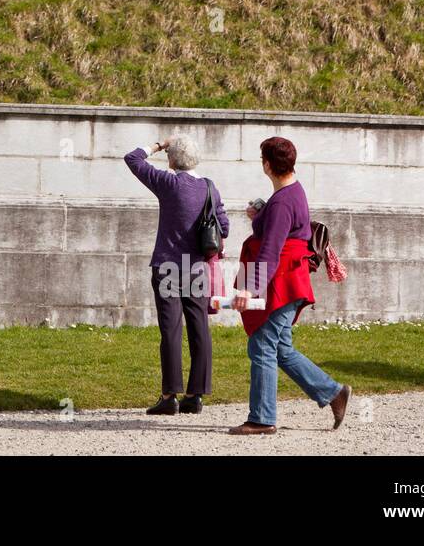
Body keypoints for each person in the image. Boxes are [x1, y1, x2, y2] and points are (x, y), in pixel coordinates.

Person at [228, 136, 352, 435]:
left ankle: (262, 418)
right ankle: (333, 392)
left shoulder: (283, 201)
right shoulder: (290, 192)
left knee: (261, 345)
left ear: (267, 165)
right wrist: (260, 216)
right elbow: (278, 232)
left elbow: (270, 249)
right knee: (280, 347)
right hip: (288, 280)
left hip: (281, 282)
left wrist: (250, 288)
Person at [125, 135, 229, 415]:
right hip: (197, 267)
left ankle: (170, 395)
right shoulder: (209, 187)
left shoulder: (168, 183)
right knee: (199, 330)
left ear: (172, 161)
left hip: (168, 265)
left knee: (170, 331)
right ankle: (195, 396)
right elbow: (224, 227)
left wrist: (159, 144)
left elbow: (132, 158)